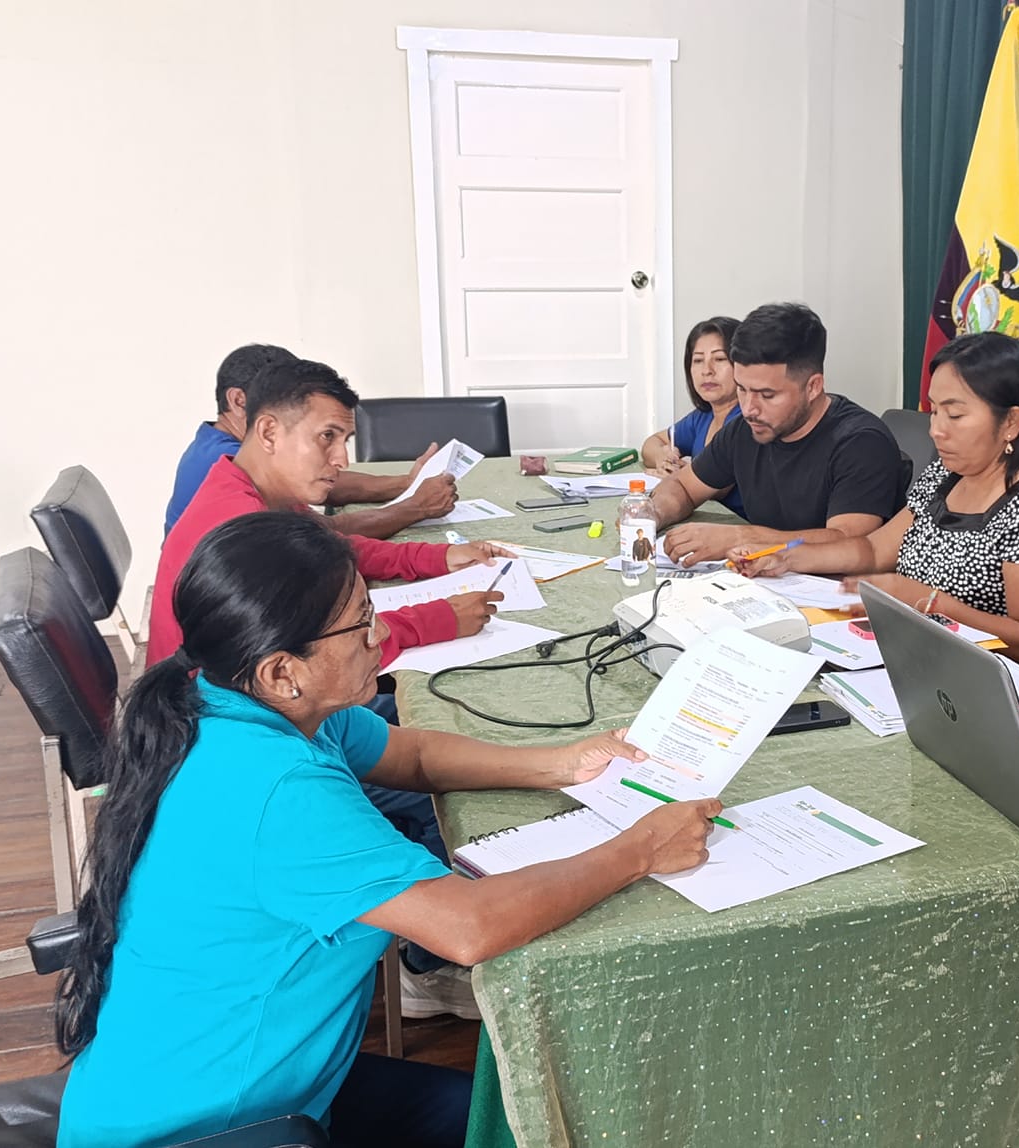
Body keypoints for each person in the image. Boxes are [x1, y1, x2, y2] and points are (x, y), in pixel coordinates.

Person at [57, 512, 719, 1147]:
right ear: (282, 670)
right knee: (548, 1122)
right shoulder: (275, 788)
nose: (379, 635)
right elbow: (468, 927)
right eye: (360, 624)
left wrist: (564, 765)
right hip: (215, 1130)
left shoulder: (243, 702)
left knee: (514, 1117)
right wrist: (640, 850)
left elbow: (414, 755)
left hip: (257, 1087)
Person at [738, 331, 1019, 687]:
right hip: (925, 668)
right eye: (934, 411)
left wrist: (928, 602)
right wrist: (787, 557)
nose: (936, 430)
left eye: (955, 415)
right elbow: (874, 549)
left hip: (1012, 695)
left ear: (1011, 423)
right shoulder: (946, 476)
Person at [147, 357, 511, 672]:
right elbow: (322, 661)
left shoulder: (253, 487)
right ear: (269, 432)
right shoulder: (243, 528)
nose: (342, 460)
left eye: (344, 440)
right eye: (327, 436)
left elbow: (337, 548)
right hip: (223, 717)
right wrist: (440, 619)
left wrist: (439, 557)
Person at [649, 302, 907, 562]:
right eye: (742, 389)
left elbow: (849, 542)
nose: (748, 408)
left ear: (813, 387)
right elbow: (683, 486)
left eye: (767, 395)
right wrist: (650, 515)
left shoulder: (861, 443)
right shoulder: (744, 430)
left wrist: (741, 538)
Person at [163, 343, 458, 538]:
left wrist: (407, 487)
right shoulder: (225, 461)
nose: (340, 460)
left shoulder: (215, 444)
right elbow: (329, 528)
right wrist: (414, 503)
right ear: (239, 401)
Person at [640, 316, 746, 517]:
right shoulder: (702, 417)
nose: (707, 371)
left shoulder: (749, 419)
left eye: (720, 359)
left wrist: (679, 477)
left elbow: (717, 485)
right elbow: (651, 443)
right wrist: (663, 457)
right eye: (697, 360)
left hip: (741, 527)